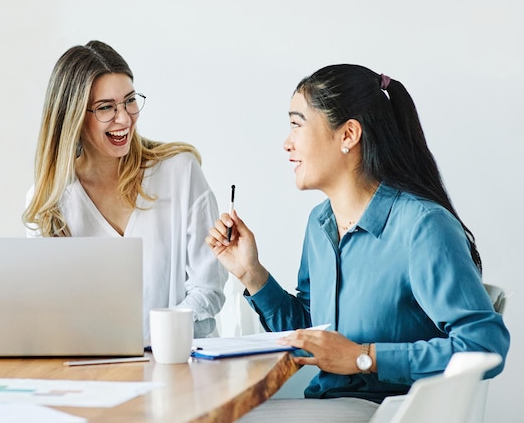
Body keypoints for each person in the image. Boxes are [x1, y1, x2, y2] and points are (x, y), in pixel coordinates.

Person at [206, 64, 509, 404]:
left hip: (388, 412)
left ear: (348, 135)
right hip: (327, 405)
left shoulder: (423, 226)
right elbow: (315, 334)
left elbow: (484, 344)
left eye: (296, 124)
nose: (286, 144)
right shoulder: (319, 224)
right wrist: (252, 273)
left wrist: (365, 357)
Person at [23, 40, 227, 341]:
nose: (125, 118)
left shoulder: (179, 172)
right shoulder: (49, 203)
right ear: (74, 118)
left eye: (130, 101)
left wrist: (150, 339)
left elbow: (208, 289)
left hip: (182, 367)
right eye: (106, 107)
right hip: (94, 375)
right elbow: (50, 314)